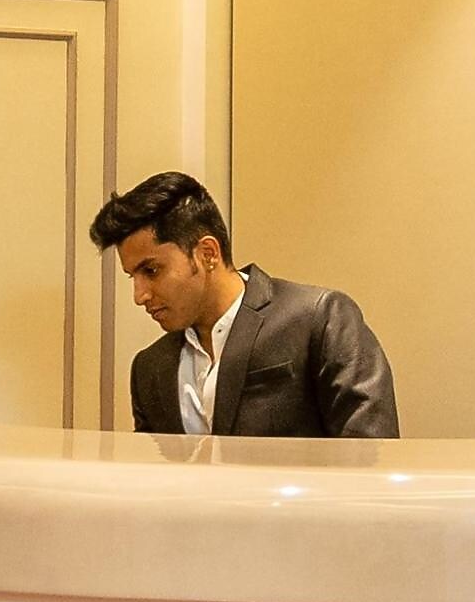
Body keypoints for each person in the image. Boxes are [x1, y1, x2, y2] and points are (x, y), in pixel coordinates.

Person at [90, 172, 398, 439]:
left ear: (207, 253)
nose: (140, 295)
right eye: (132, 277)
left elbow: (368, 455)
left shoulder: (318, 319)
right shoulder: (150, 368)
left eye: (151, 271)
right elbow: (150, 479)